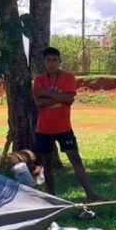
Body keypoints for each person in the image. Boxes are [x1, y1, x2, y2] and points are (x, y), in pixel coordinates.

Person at [33, 47, 103, 211]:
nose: (51, 63)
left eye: (54, 60)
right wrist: (58, 97)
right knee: (47, 163)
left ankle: (90, 193)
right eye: (48, 60)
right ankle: (51, 196)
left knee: (75, 159)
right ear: (44, 62)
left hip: (64, 128)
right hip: (43, 129)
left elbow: (69, 99)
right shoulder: (39, 80)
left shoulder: (68, 77)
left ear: (60, 61)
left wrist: (47, 94)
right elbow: (38, 103)